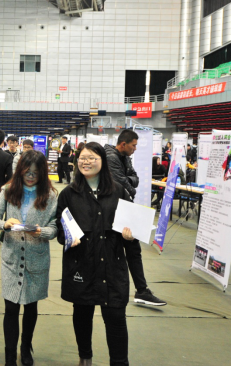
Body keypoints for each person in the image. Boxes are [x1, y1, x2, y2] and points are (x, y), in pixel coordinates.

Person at [56, 142, 139, 366]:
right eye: (83, 158)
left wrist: (129, 236)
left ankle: (119, 362)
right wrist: (67, 237)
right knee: (82, 315)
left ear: (102, 161)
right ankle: (85, 358)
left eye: (92, 158)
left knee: (116, 318)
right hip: (81, 265)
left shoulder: (118, 191)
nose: (86, 162)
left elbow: (132, 231)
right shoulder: (68, 194)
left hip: (112, 266)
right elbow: (60, 227)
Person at [0, 151, 58, 366]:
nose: (31, 176)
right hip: (12, 258)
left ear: (42, 173)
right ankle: (9, 355)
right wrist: (5, 224)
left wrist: (42, 232)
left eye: (35, 173)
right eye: (27, 172)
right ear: (20, 171)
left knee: (31, 307)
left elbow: (55, 227)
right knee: (11, 308)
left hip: (37, 258)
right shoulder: (8, 190)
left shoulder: (51, 195)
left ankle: (26, 348)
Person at [104, 130, 166, 306]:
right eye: (133, 145)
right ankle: (139, 290)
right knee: (119, 251)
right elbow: (122, 185)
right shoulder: (111, 157)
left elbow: (134, 180)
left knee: (133, 249)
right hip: (112, 210)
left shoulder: (125, 158)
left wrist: (128, 182)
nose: (135, 149)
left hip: (124, 208)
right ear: (123, 144)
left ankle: (141, 290)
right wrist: (129, 183)